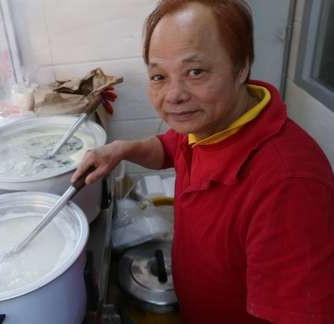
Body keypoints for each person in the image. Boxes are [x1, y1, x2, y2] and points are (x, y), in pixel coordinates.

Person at [72, 0, 334, 323]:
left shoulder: (289, 185)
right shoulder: (208, 123)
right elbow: (171, 147)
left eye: (195, 72)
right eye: (159, 76)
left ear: (241, 67)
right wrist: (121, 149)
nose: (174, 95)